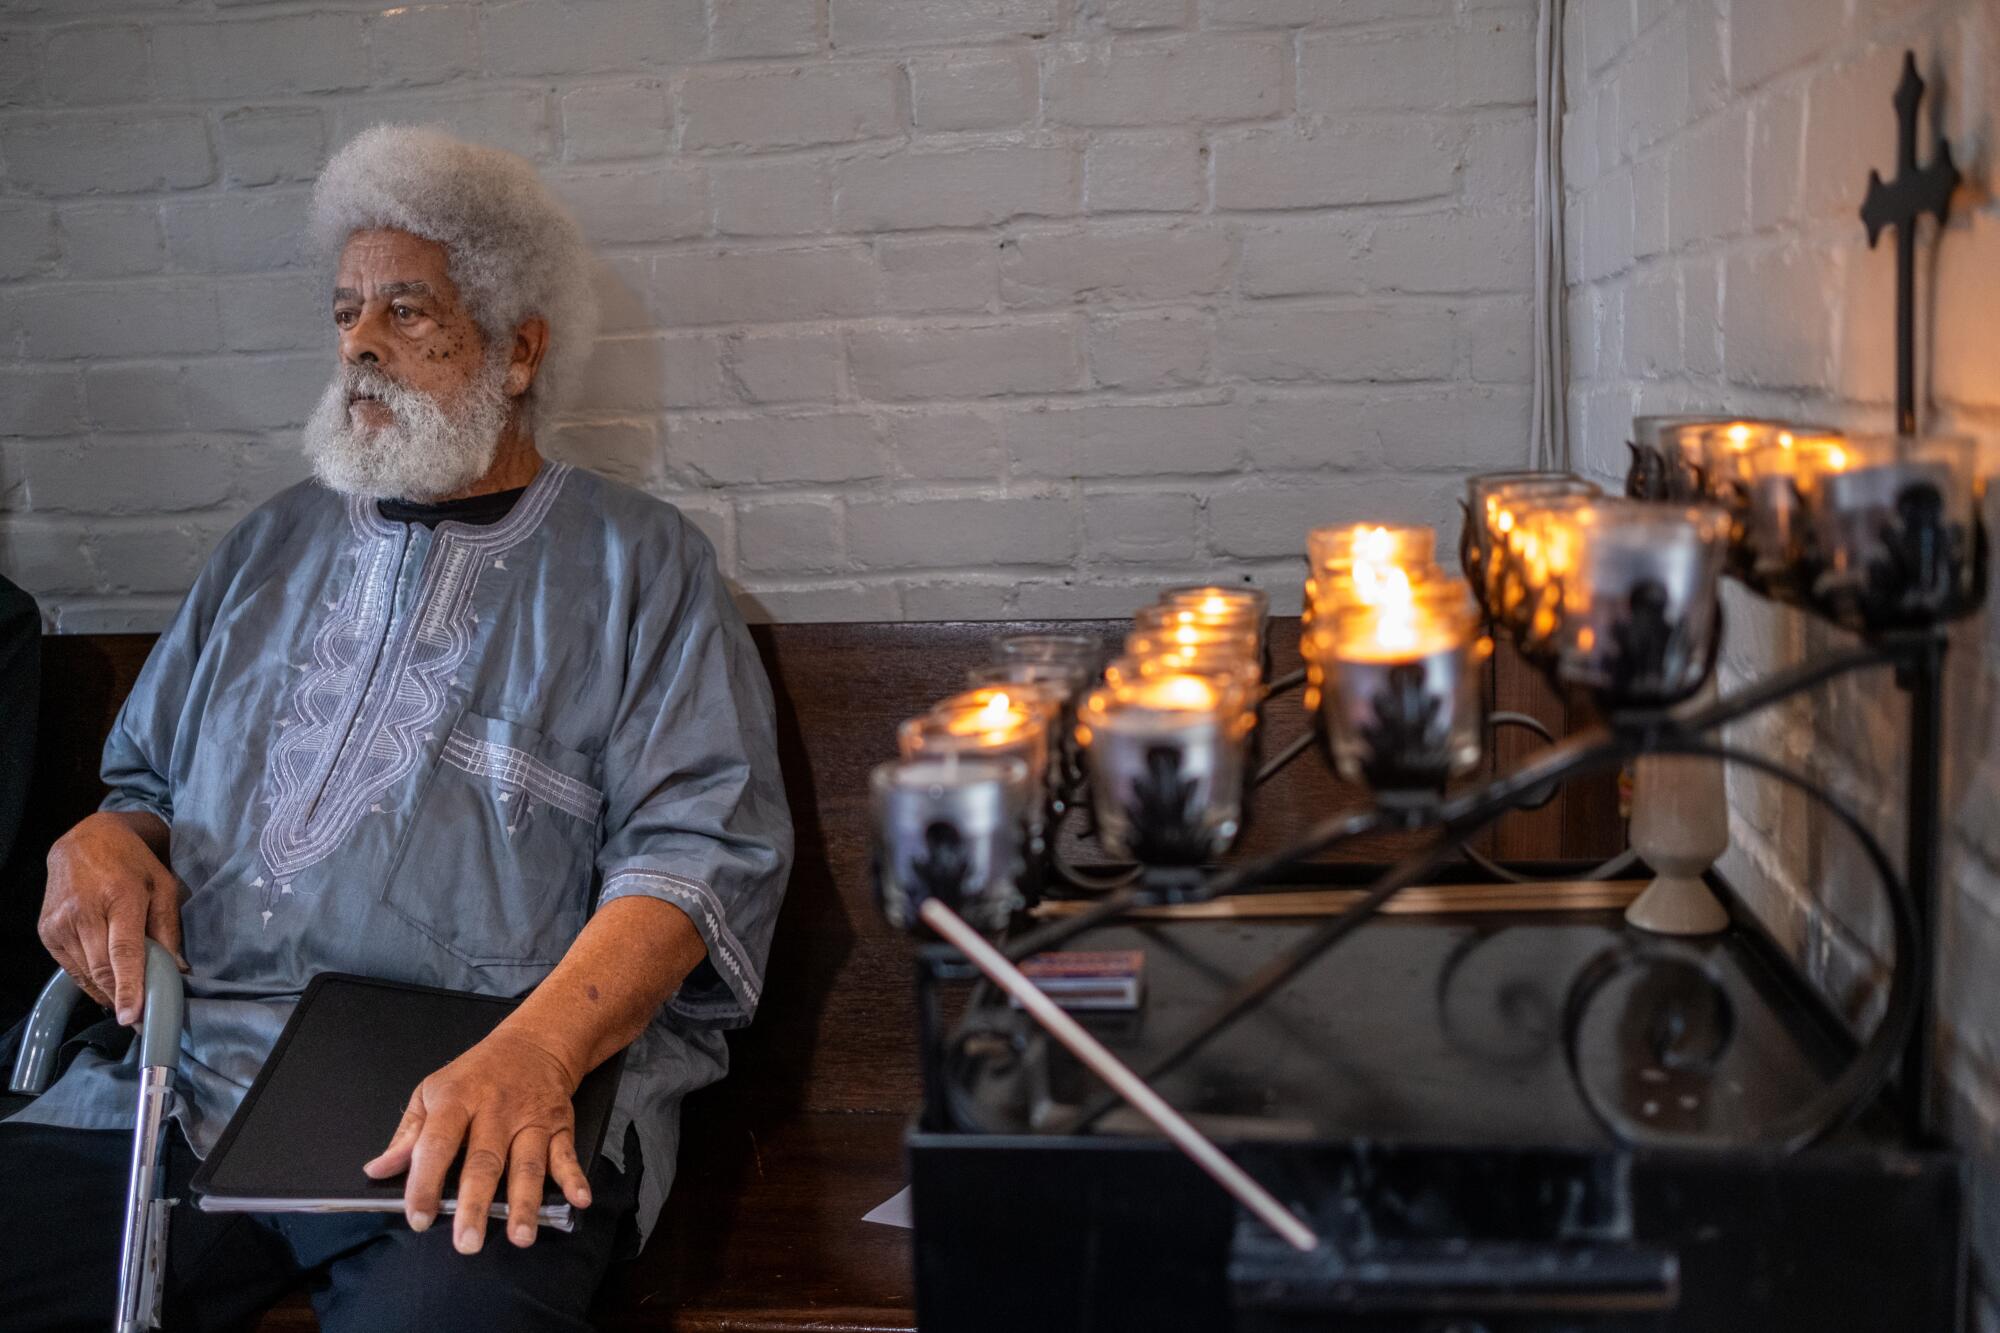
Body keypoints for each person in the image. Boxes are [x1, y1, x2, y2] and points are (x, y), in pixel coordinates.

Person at [0, 126, 792, 1333]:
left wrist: (533, 1056)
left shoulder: (643, 567)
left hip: (485, 1108)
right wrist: (104, 836)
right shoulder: (266, 547)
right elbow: (143, 779)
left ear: (518, 351)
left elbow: (697, 859)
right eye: (345, 311)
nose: (358, 343)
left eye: (406, 312)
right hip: (184, 1085)